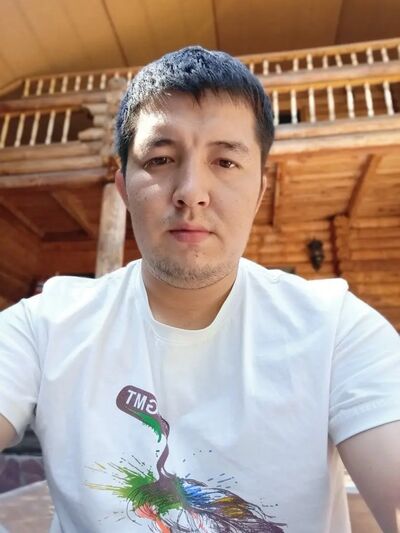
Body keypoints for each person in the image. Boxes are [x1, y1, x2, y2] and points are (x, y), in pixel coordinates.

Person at [0, 46, 399, 533]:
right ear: (124, 189)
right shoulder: (45, 327)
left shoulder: (336, 329)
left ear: (259, 191)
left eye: (225, 161)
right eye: (161, 158)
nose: (191, 190)